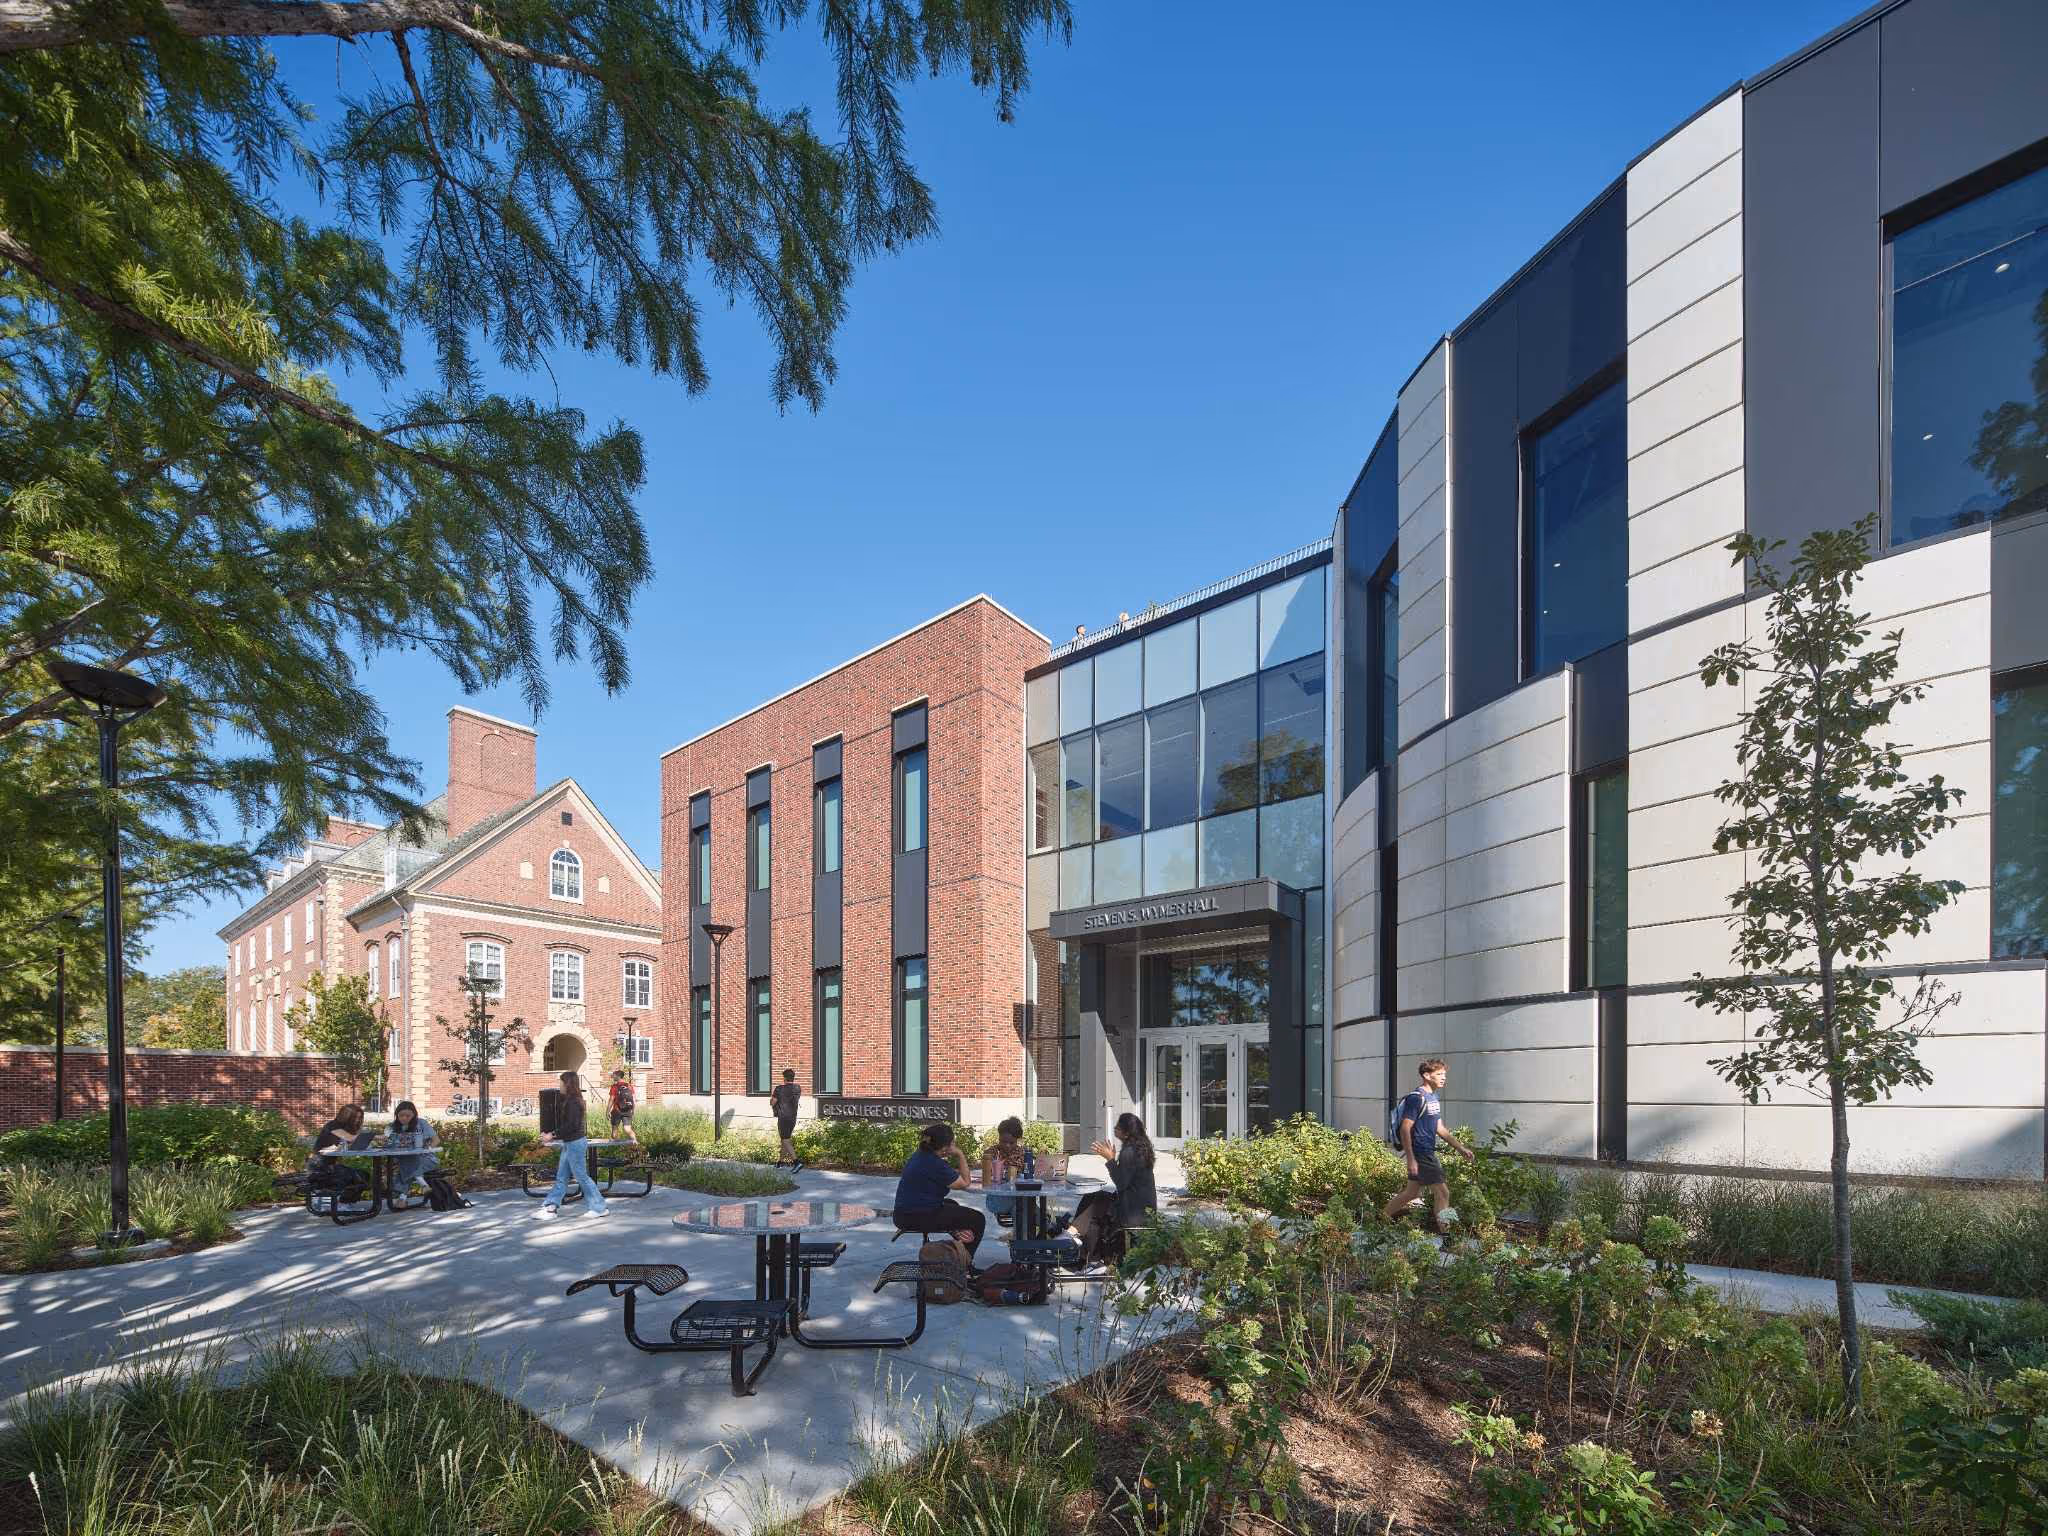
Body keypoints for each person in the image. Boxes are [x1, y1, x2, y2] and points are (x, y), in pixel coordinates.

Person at [1381, 1058, 1473, 1229]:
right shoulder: (1416, 1099)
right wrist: (1411, 1159)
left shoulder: (1433, 1098)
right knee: (1443, 1193)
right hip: (1421, 1152)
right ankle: (1447, 1236)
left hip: (1424, 1151)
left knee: (1411, 1192)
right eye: (1439, 1074)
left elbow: (1440, 1128)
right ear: (1426, 1075)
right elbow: (1405, 1128)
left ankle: (1378, 1221)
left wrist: (1461, 1148)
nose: (1443, 1077)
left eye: (1444, 1074)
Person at [891, 1121, 985, 1262]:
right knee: (977, 1219)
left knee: (952, 1204)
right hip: (917, 1216)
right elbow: (965, 1183)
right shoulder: (935, 1163)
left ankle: (959, 1240)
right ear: (945, 1147)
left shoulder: (922, 1155)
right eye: (953, 1143)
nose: (954, 1146)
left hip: (904, 1213)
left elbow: (943, 1174)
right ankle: (966, 1263)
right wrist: (960, 1154)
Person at [1075, 1112, 1158, 1263]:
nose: (1114, 1129)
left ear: (1126, 1133)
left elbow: (1121, 1183)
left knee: (1096, 1205)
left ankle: (1081, 1248)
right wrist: (1114, 1160)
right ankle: (1074, 1235)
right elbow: (1126, 1179)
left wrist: (1110, 1160)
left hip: (1133, 1211)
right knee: (1095, 1197)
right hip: (1140, 1206)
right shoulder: (1140, 1148)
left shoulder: (1129, 1152)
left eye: (1118, 1127)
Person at [536, 1070, 610, 1220]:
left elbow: (572, 1125)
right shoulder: (570, 1100)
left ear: (567, 1084)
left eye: (561, 1082)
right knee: (562, 1176)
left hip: (575, 1144)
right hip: (570, 1143)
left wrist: (552, 1135)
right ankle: (550, 1207)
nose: (559, 1085)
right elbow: (570, 1126)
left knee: (581, 1176)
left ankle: (599, 1207)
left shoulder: (574, 1102)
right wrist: (554, 1135)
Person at [309, 1103, 371, 1208]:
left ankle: (345, 1203)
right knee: (353, 1176)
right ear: (347, 1116)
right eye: (355, 1117)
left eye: (360, 1118)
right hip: (318, 1168)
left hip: (329, 1167)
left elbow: (347, 1144)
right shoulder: (332, 1126)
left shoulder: (344, 1128)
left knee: (363, 1175)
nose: (357, 1120)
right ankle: (340, 1204)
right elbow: (350, 1138)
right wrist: (374, 1137)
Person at [383, 1101, 440, 1203]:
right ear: (396, 1115)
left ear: (414, 1115)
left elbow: (436, 1140)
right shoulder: (391, 1127)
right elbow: (386, 1143)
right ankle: (422, 1184)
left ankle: (402, 1198)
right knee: (407, 1163)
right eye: (401, 1115)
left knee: (406, 1165)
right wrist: (384, 1141)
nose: (404, 1118)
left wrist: (428, 1147)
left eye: (408, 1116)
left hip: (426, 1159)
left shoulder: (421, 1123)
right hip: (403, 1160)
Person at [981, 1116, 1029, 1227]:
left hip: (1017, 1197)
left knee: (1021, 1209)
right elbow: (986, 1178)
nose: (1007, 1146)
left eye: (1011, 1143)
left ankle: (1021, 1240)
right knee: (1025, 1206)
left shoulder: (1023, 1153)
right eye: (1003, 1141)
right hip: (997, 1199)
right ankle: (1049, 1225)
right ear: (998, 1137)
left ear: (1018, 1140)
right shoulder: (991, 1153)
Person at [770, 1068, 803, 1171]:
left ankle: (796, 1162)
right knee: (785, 1139)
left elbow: (772, 1102)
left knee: (785, 1140)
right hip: (793, 1117)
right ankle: (780, 1163)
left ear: (784, 1078)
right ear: (793, 1077)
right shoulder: (797, 1088)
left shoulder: (779, 1089)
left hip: (783, 1118)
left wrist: (772, 1099)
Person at [607, 1070, 637, 1141]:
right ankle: (635, 1143)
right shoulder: (629, 1086)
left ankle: (617, 1147)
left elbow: (611, 1100)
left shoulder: (614, 1086)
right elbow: (633, 1099)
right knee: (627, 1129)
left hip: (616, 1110)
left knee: (614, 1130)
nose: (612, 1076)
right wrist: (633, 1110)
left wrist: (607, 1111)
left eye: (614, 1075)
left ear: (618, 1076)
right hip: (627, 1110)